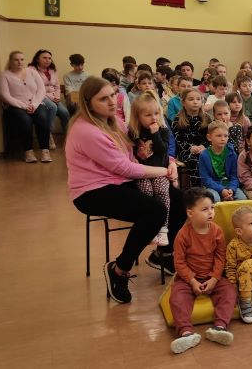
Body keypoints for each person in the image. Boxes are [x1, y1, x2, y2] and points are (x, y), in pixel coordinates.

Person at [67, 76, 184, 303]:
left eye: (113, 94)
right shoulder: (86, 130)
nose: (113, 101)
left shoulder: (116, 121)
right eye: (104, 98)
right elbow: (125, 167)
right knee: (155, 211)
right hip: (93, 191)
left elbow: (144, 153)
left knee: (181, 200)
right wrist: (164, 172)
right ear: (88, 103)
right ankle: (119, 269)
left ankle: (163, 254)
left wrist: (170, 163)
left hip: (121, 180)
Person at [169, 188, 236, 354]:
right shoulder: (182, 235)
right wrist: (192, 281)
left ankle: (219, 327)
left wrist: (214, 278)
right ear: (190, 213)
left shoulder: (217, 231)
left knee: (229, 291)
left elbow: (220, 257)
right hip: (187, 279)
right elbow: (179, 263)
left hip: (212, 276)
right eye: (205, 209)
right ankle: (186, 333)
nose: (211, 212)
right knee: (177, 298)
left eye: (212, 208)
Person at [128, 91, 173, 246]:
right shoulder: (134, 132)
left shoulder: (163, 130)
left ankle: (163, 228)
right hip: (142, 173)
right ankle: (150, 228)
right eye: (148, 115)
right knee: (146, 192)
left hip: (160, 172)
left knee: (161, 191)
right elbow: (130, 151)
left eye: (156, 113)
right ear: (138, 117)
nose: (153, 118)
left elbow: (162, 150)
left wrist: (155, 134)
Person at [0, 51, 53, 163]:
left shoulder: (32, 72)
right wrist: (24, 106)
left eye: (22, 59)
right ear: (10, 61)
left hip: (35, 104)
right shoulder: (4, 76)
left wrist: (34, 104)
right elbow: (4, 96)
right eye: (16, 60)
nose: (19, 62)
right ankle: (28, 151)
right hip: (15, 107)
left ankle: (45, 151)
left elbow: (41, 90)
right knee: (25, 120)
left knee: (42, 117)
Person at [199, 121, 246, 203]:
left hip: (229, 185)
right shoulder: (204, 155)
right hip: (212, 186)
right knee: (215, 199)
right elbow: (206, 179)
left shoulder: (232, 153)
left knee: (242, 198)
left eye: (226, 136)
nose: (223, 139)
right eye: (218, 136)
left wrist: (232, 189)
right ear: (209, 137)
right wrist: (221, 190)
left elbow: (234, 176)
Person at [171, 89, 210, 188]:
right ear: (183, 102)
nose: (195, 102)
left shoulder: (206, 118)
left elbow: (210, 136)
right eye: (191, 99)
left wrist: (204, 146)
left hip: (203, 149)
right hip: (185, 151)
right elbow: (178, 139)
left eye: (198, 99)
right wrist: (190, 148)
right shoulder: (177, 119)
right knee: (195, 160)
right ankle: (197, 188)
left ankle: (210, 185)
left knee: (208, 157)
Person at [29, 49, 68, 142]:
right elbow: (32, 87)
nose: (47, 60)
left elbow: (57, 86)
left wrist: (57, 97)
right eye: (44, 58)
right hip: (40, 97)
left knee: (65, 112)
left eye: (49, 58)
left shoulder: (53, 70)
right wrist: (46, 89)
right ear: (37, 59)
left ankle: (68, 135)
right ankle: (48, 133)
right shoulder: (31, 70)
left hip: (53, 97)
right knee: (52, 107)